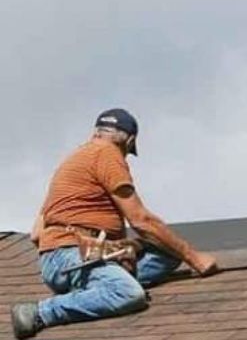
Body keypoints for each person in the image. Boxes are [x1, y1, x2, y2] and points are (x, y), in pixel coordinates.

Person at [9, 109, 219, 339]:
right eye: (129, 150)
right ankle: (40, 312)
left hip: (58, 257)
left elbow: (36, 234)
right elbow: (141, 220)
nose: (126, 156)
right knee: (128, 293)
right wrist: (195, 258)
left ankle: (96, 290)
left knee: (167, 250)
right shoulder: (107, 154)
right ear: (129, 140)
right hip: (71, 255)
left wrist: (120, 247)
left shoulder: (73, 161)